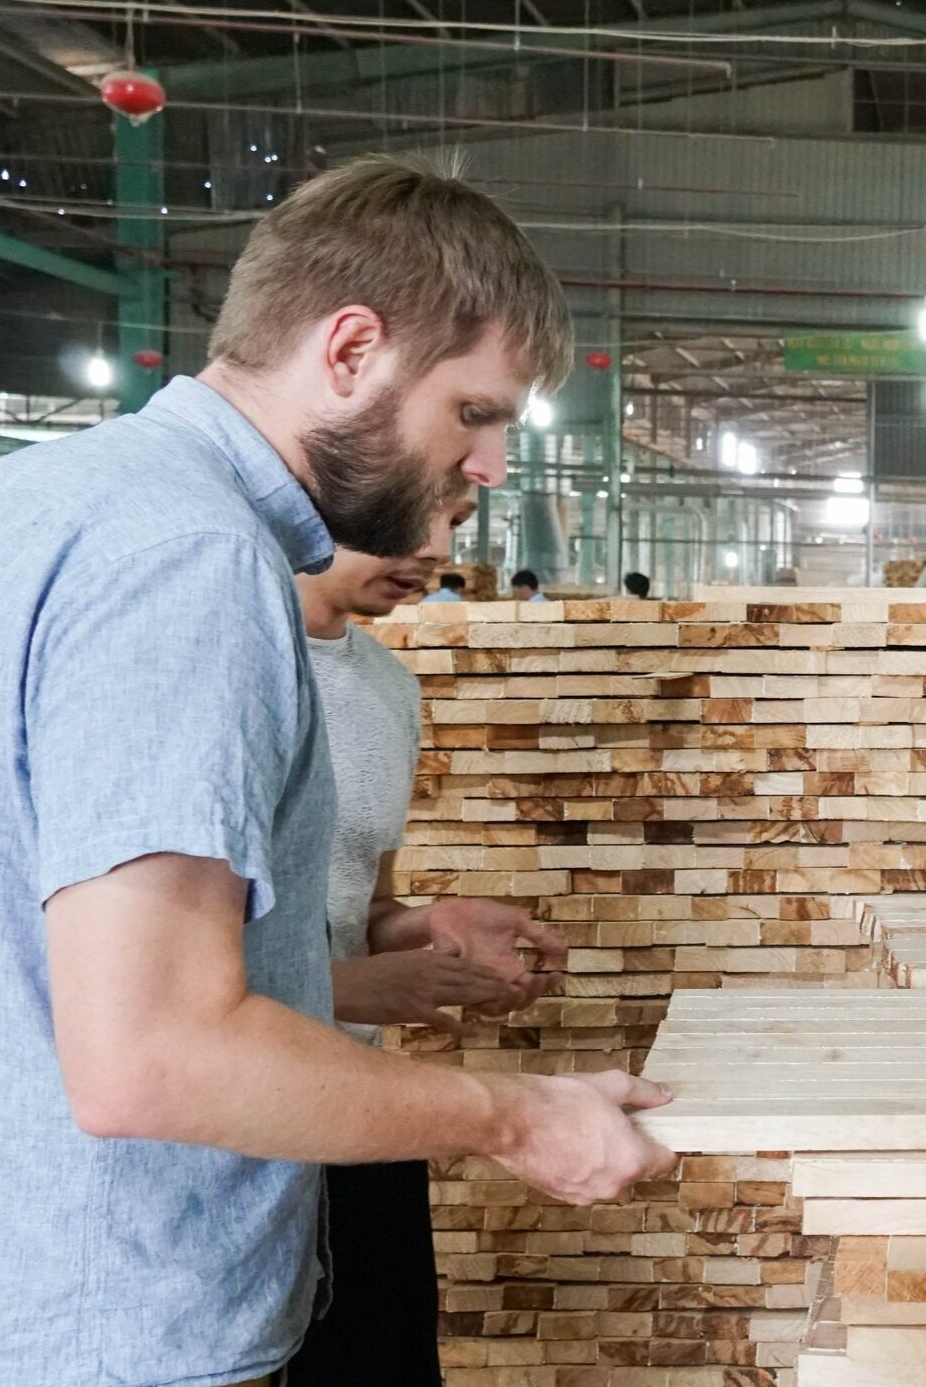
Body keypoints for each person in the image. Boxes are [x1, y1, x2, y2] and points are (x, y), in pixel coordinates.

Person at [0, 154, 674, 1387]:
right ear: (351, 348)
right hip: (110, 1328)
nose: (486, 467)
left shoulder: (2, 509)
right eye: (474, 412)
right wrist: (513, 1113)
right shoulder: (188, 560)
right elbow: (153, 1051)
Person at [290, 496, 547, 1387]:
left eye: (453, 520)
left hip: (355, 1117)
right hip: (223, 1124)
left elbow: (363, 908)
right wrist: (357, 988)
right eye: (408, 518)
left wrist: (434, 927)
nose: (435, 551)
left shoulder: (387, 688)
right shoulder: (213, 672)